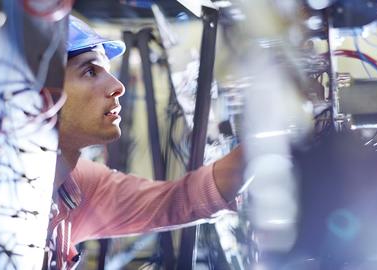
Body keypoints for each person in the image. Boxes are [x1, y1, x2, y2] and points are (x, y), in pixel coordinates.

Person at [48, 15, 246, 269]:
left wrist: (266, 148)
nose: (118, 86)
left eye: (107, 70)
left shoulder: (78, 184)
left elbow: (180, 201)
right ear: (40, 92)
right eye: (89, 71)